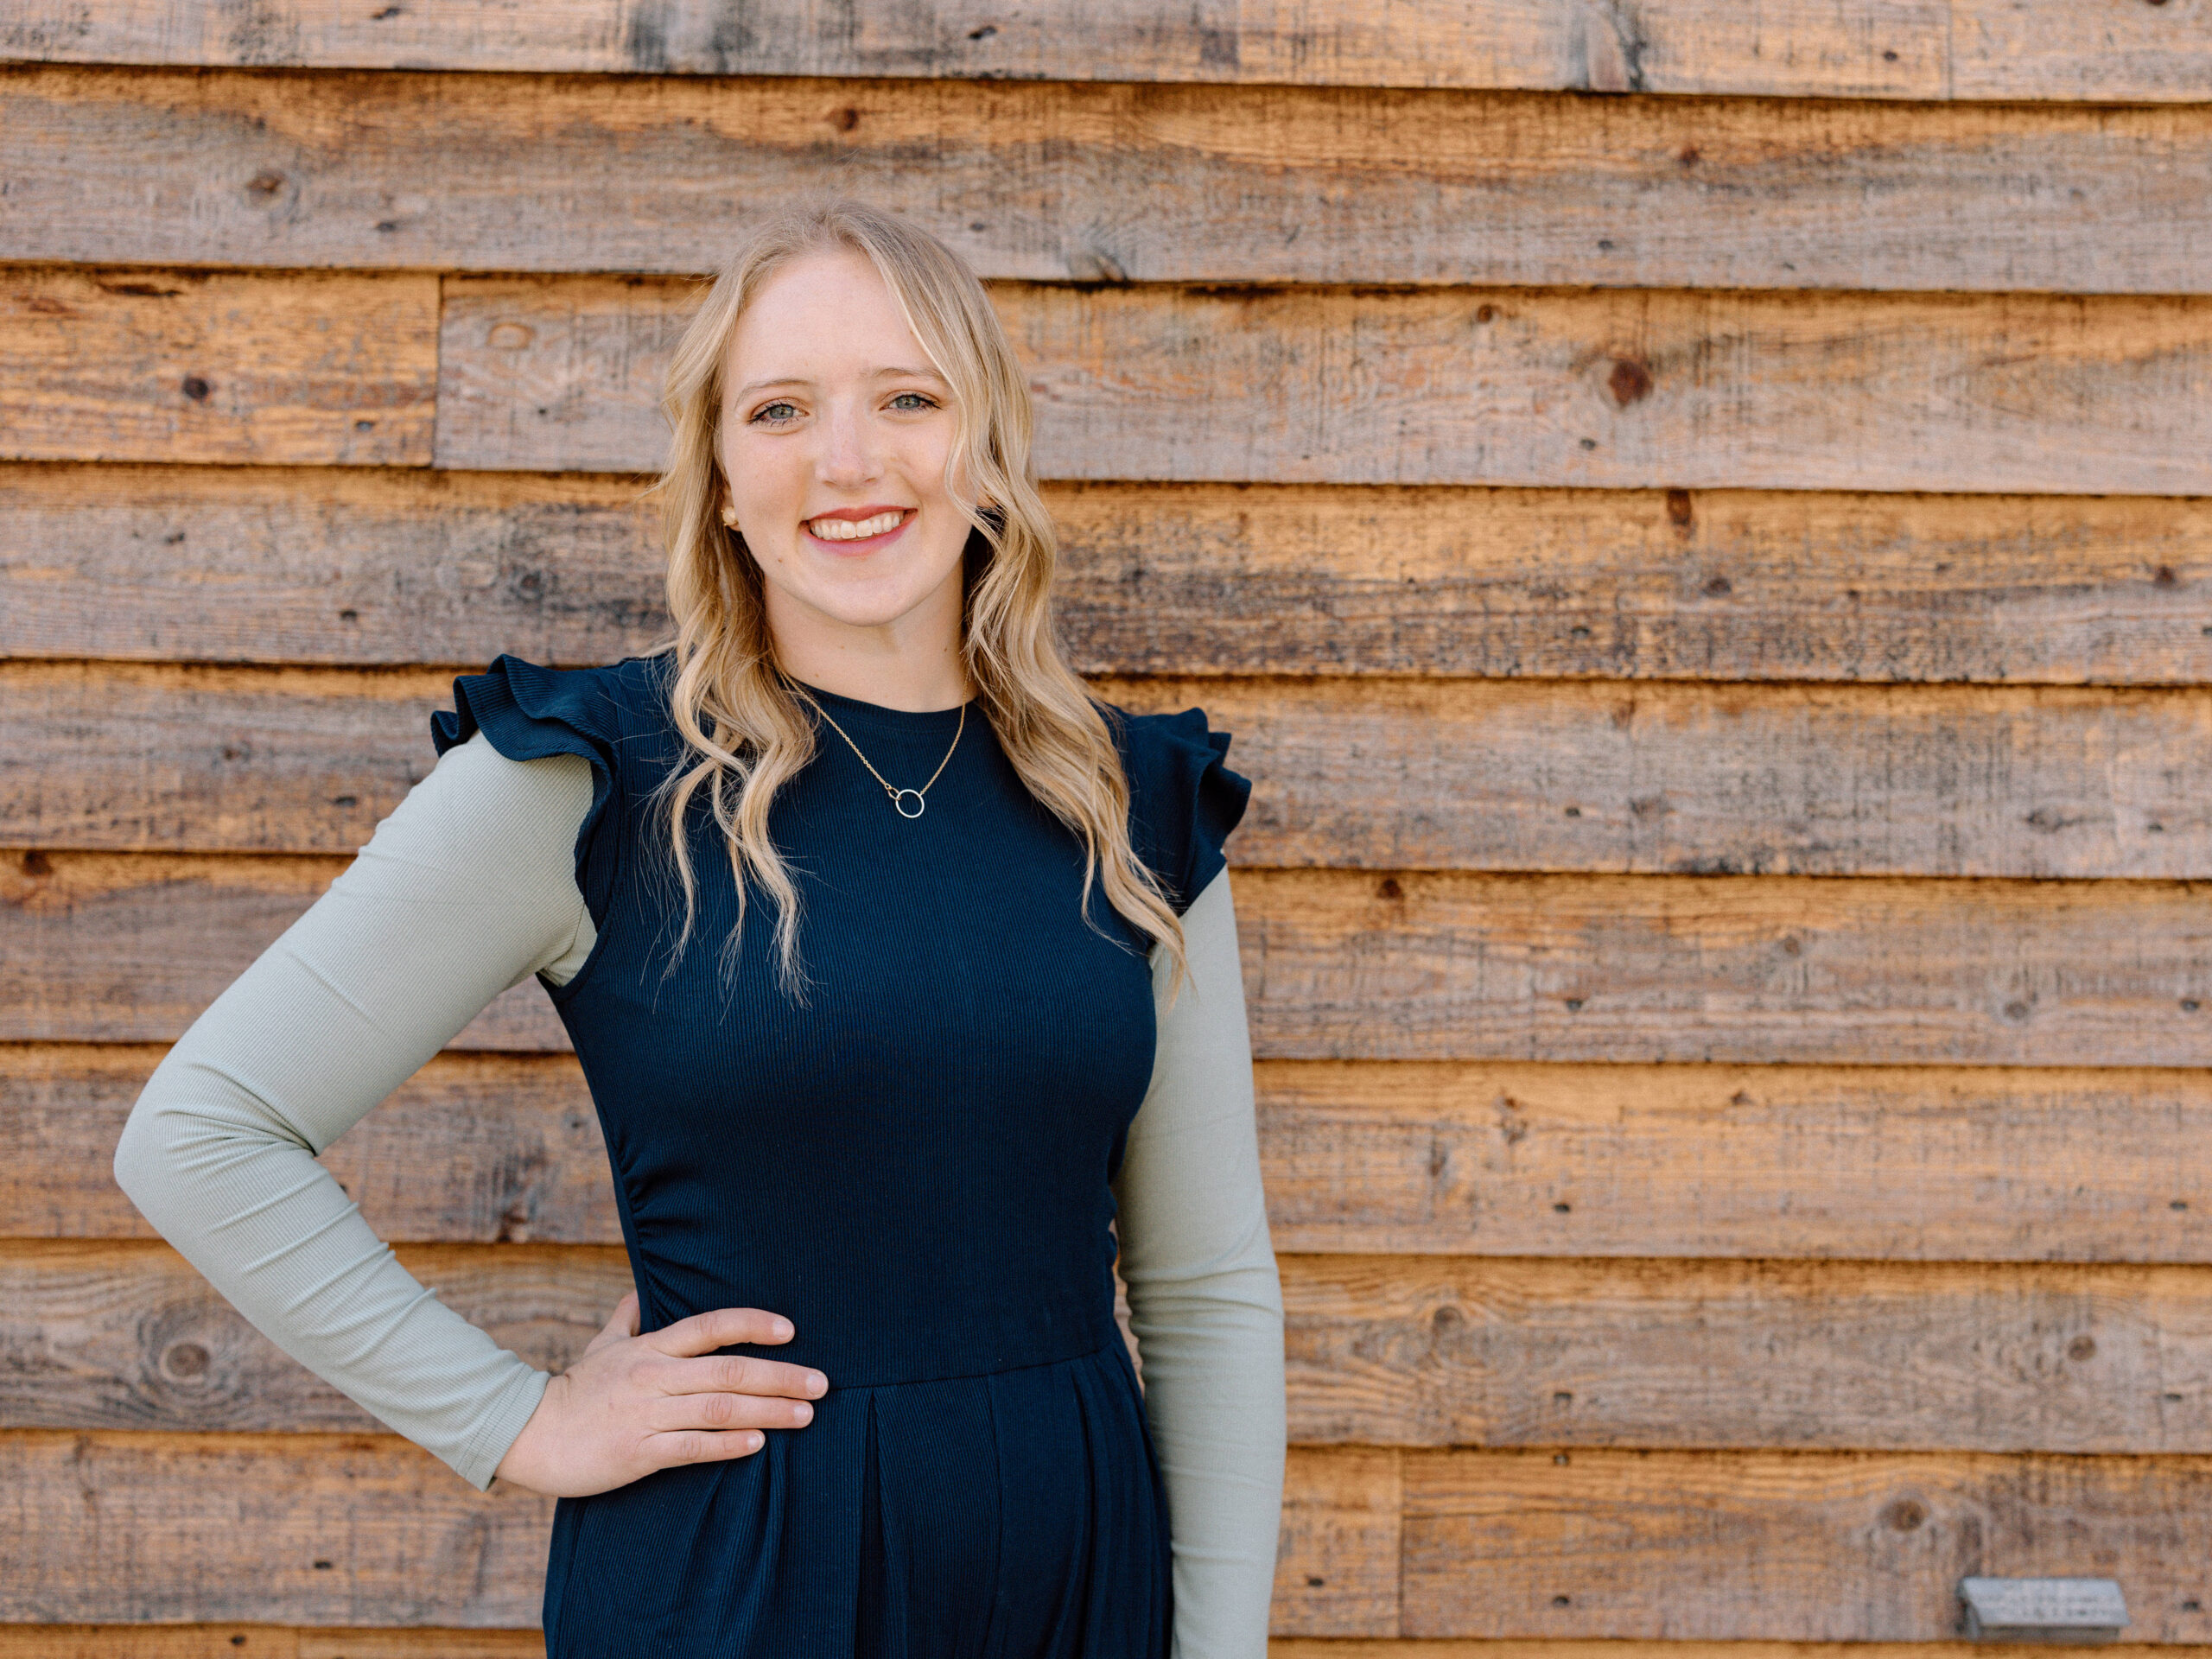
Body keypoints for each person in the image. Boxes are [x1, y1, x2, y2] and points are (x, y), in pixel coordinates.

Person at [111, 198, 1287, 1657]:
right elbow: (202, 1130)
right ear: (723, 478)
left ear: (984, 446)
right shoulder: (584, 775)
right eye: (781, 408)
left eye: (906, 398)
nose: (847, 461)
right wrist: (517, 1421)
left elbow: (1204, 1288)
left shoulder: (1134, 803)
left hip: (1072, 1579)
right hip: (739, 1577)